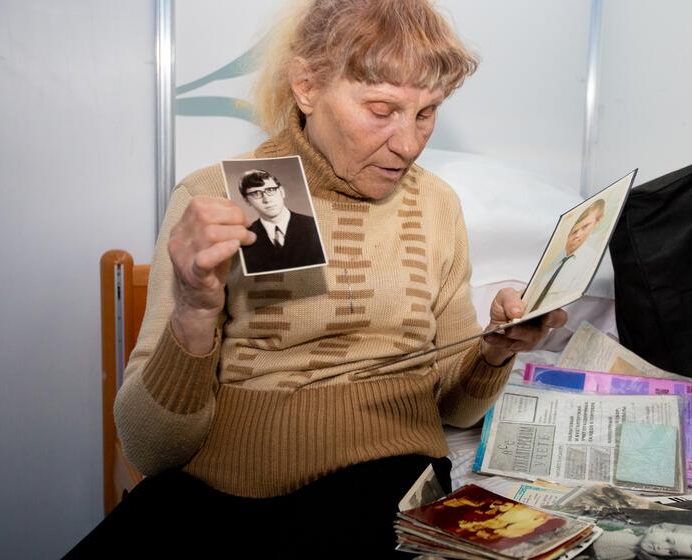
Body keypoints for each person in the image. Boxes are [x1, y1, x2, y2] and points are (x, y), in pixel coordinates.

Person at [69, 0, 566, 557]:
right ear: (307, 86)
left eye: (426, 113)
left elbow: (456, 411)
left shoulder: (436, 205)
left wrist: (495, 351)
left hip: (382, 474)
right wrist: (193, 312)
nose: (408, 143)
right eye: (382, 109)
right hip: (215, 484)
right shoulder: (213, 197)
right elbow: (152, 450)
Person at [526, 198, 606, 313]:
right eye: (574, 231)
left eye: (585, 227)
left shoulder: (590, 260)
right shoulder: (556, 261)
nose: (578, 235)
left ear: (597, 223)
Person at [237, 168, 324, 273]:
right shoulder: (245, 238)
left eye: (270, 190)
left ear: (282, 192)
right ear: (247, 201)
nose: (266, 199)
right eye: (256, 193)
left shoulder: (314, 225)